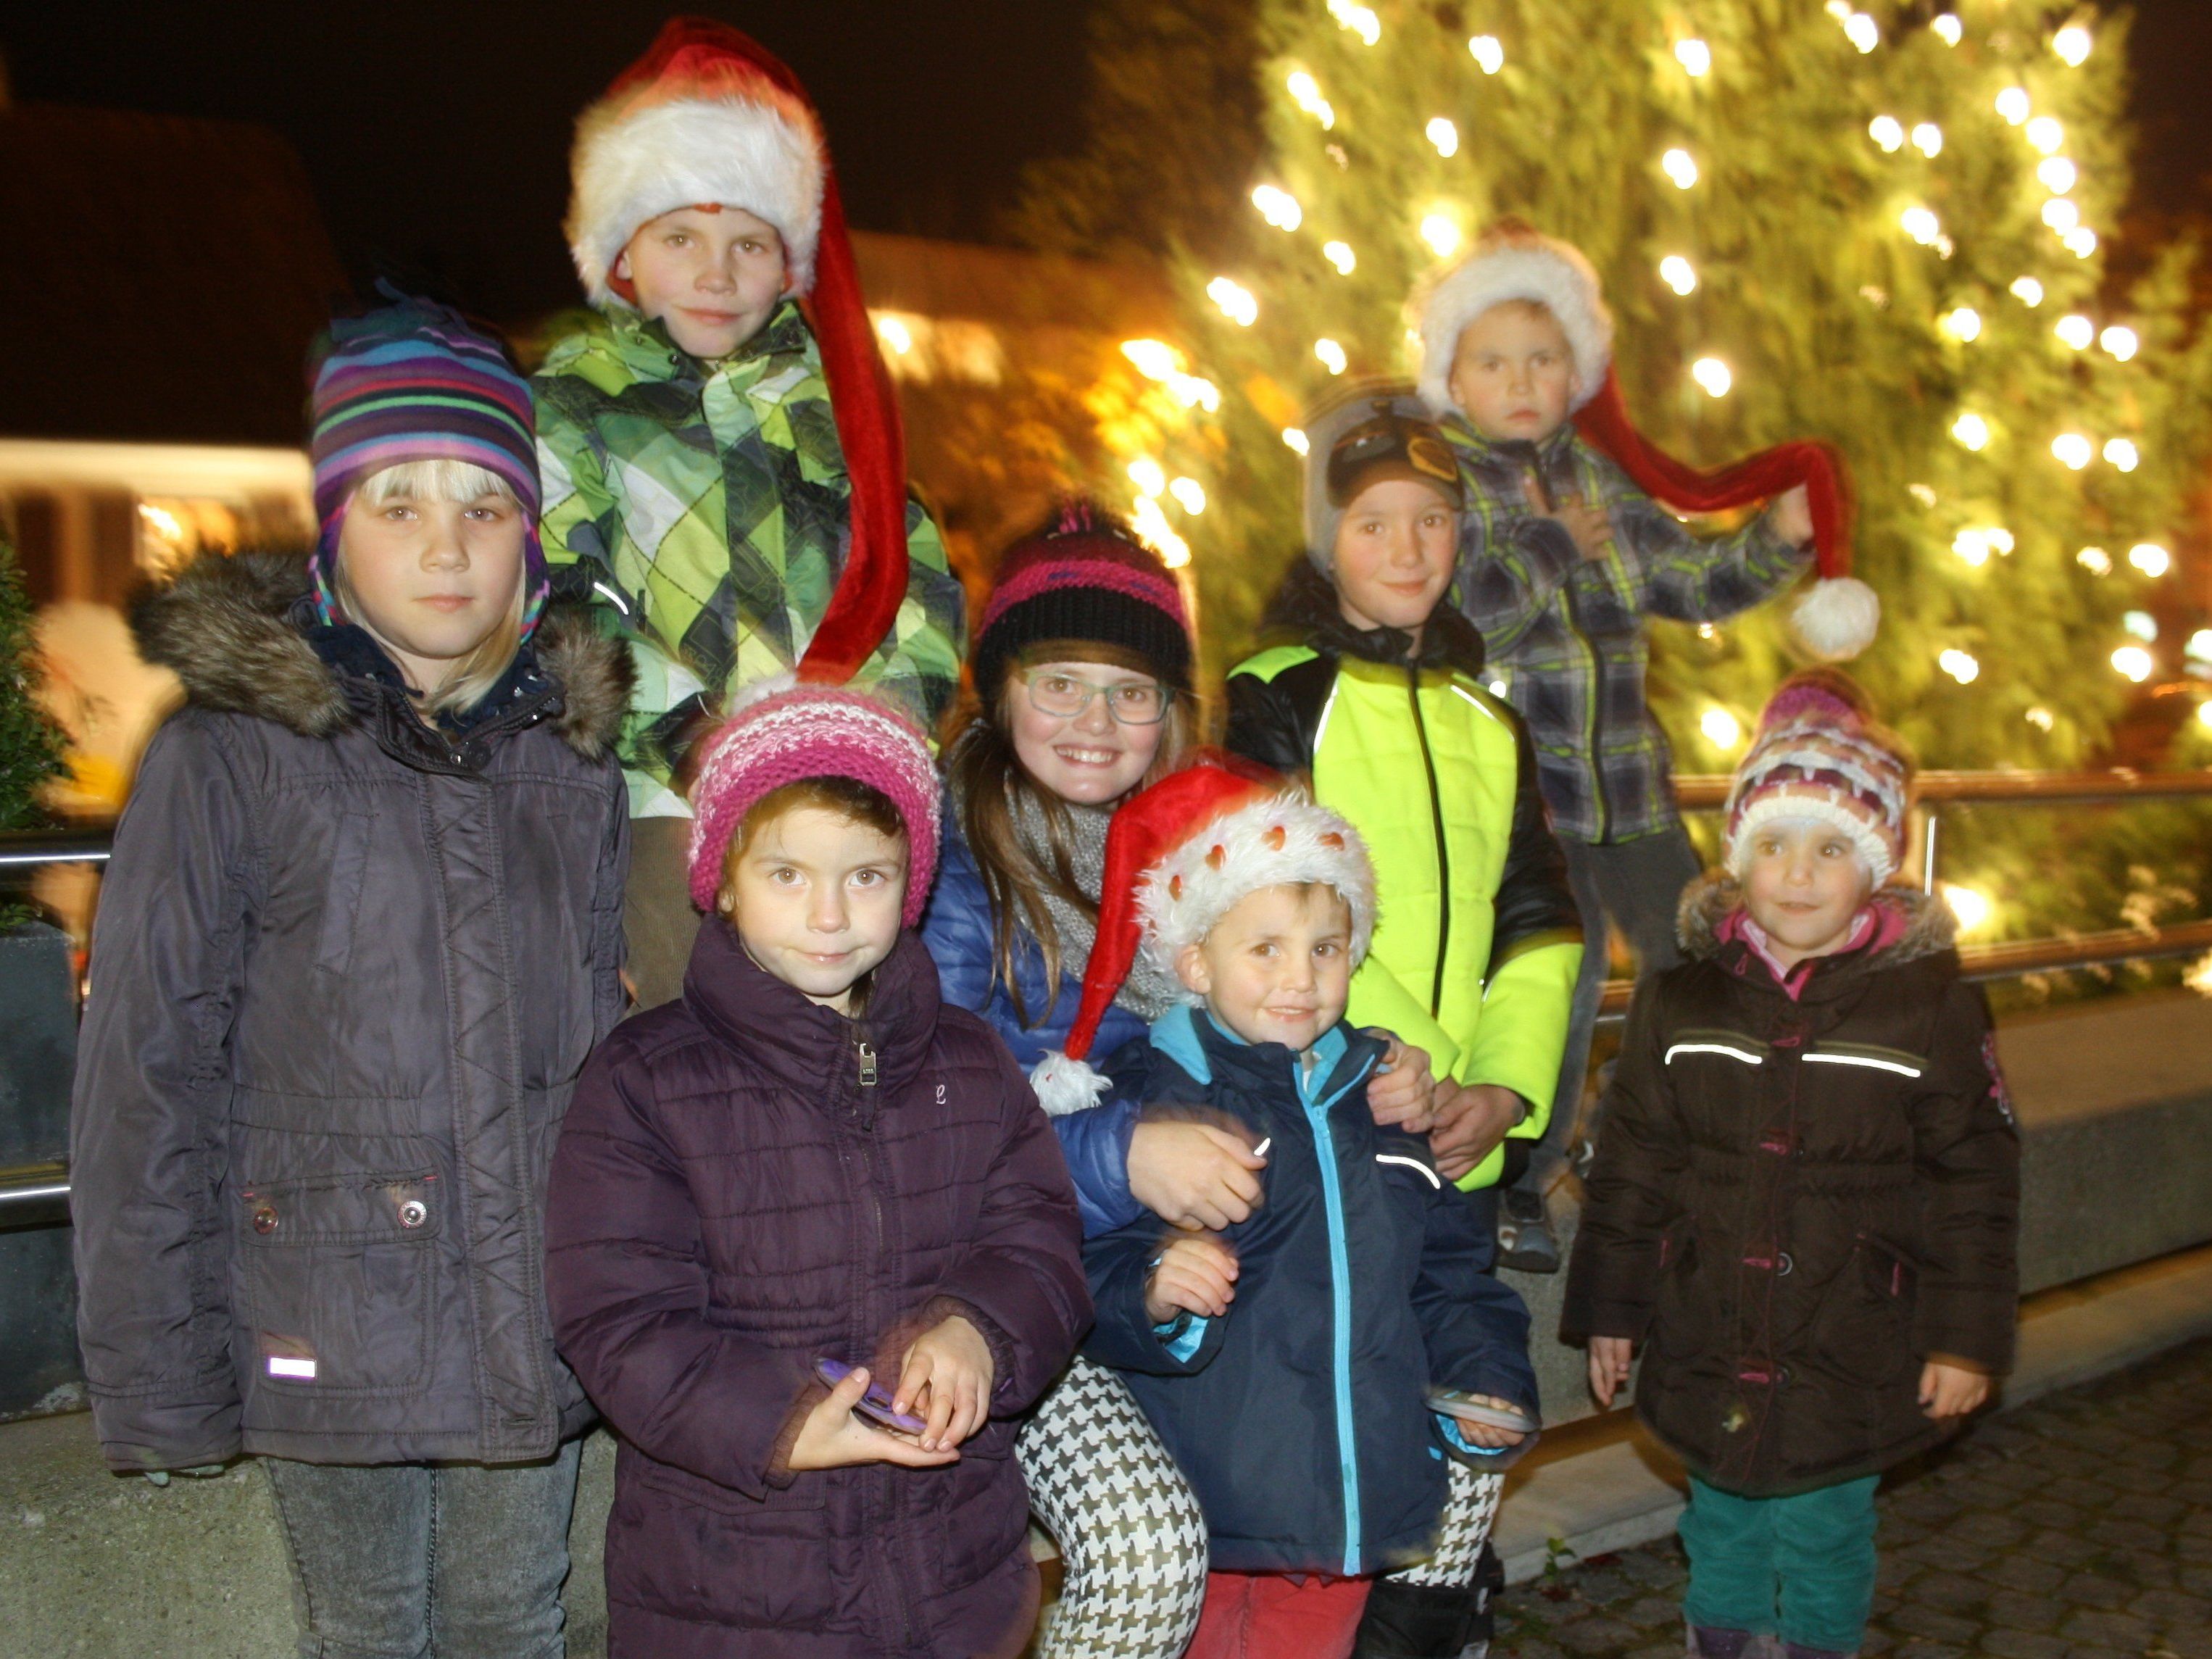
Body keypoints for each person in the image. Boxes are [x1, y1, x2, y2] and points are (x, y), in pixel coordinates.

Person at [71, 296, 633, 1658]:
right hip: (327, 1305)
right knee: (368, 1632)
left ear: (531, 537)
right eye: (397, 502)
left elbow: (603, 1047)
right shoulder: (231, 755)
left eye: (484, 506)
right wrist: (160, 1371)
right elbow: (148, 1064)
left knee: (520, 1622)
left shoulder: (571, 758)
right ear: (333, 526)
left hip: (531, 1309)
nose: (445, 546)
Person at [923, 503, 1439, 1658]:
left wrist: (1384, 1069)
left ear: (1173, 711)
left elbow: (1291, 984)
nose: (1097, 721)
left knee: (1385, 1454)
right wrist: (1126, 1154)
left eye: (1133, 690)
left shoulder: (1190, 848)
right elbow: (936, 1122)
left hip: (1139, 1276)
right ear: (1001, 691)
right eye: (1060, 681)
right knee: (1153, 1547)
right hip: (999, 1283)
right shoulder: (957, 873)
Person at [544, 685, 1089, 1658]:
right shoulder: (646, 1079)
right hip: (735, 1585)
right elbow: (618, 1318)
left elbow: (1039, 1240)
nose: (830, 914)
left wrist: (978, 1326)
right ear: (725, 878)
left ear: (910, 881)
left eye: (869, 876)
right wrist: (781, 1421)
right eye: (788, 873)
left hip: (953, 1574)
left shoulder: (968, 1062)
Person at [1411, 220, 1841, 1273]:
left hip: (1634, 798)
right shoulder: (1446, 485)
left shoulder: (1600, 478)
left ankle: (1637, 1140)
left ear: (1578, 374)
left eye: (1544, 359)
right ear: (1454, 379)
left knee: (1696, 969)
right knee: (1542, 997)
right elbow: (1466, 615)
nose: (1521, 381)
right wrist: (1555, 545)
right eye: (1494, 361)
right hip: (1533, 807)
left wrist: (1779, 540)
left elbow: (1690, 582)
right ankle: (1519, 1173)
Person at [1563, 670, 2019, 1659]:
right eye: (1771, 843)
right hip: (1708, 1327)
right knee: (1719, 1521)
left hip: (1852, 1340)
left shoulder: (1926, 1005)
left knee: (1823, 1533)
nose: (1797, 873)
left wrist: (1965, 1337)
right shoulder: (1683, 998)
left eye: (1830, 848)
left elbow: (1974, 1179)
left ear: (1877, 869)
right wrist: (1611, 1306)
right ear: (1737, 860)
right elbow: (1636, 1156)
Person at [1224, 389, 1580, 1656]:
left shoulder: (1490, 715)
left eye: (1433, 519)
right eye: (1376, 521)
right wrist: (1388, 1061)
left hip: (1459, 1133)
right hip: (1335, 1118)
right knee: (1353, 1413)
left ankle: (1441, 1624)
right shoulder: (1276, 690)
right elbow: (1272, 900)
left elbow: (1538, 912)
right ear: (1328, 538)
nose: (1411, 547)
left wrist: (1505, 1089)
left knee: (1460, 1406)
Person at [1063, 761, 1539, 1659]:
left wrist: (1486, 1375)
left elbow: (1445, 1269)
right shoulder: (1154, 1098)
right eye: (1265, 948)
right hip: (1214, 1492)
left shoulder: (1382, 1100)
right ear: (1196, 961)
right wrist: (1155, 1287)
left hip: (1345, 1504)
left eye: (1326, 948)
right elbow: (1083, 1266)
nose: (1301, 978)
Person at [537, 17, 966, 1008]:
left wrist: (876, 731)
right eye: (680, 237)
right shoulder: (577, 402)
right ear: (625, 255)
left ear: (790, 263)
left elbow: (920, 582)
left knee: (849, 1048)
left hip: (839, 788)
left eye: (749, 244)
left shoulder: (835, 402)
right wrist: (698, 738)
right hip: (668, 800)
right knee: (704, 1040)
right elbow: (571, 595)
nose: (718, 274)